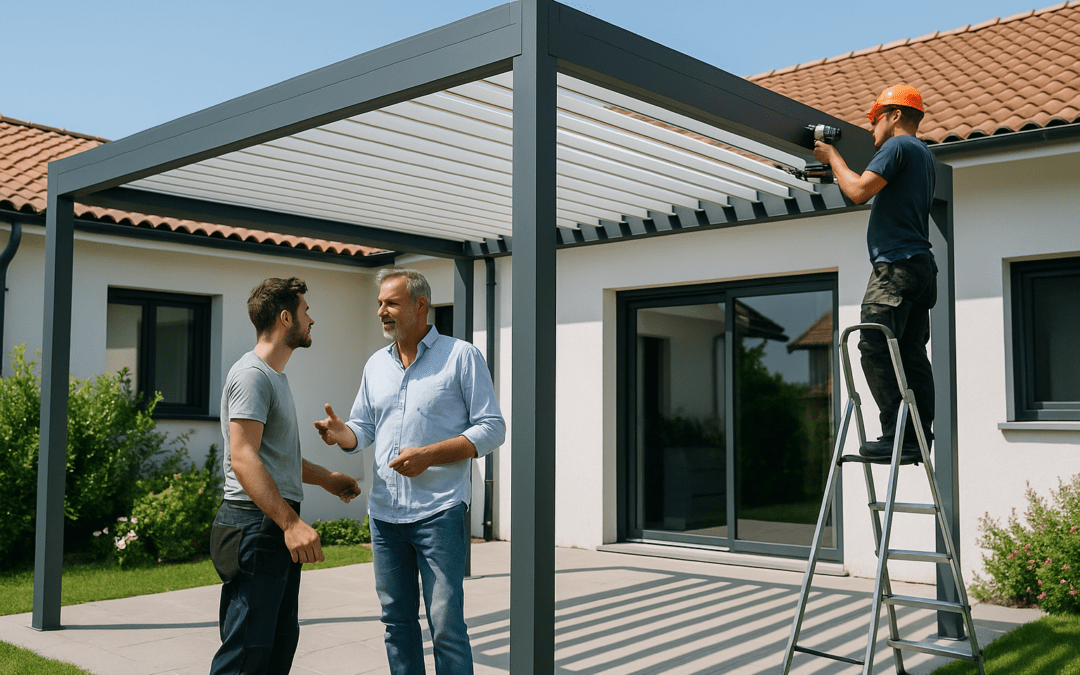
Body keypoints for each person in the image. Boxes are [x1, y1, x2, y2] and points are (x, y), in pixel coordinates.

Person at [314, 267, 505, 675]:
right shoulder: (375, 365)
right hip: (384, 516)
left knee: (446, 624)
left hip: (439, 512)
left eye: (391, 303)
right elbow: (363, 429)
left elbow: (492, 428)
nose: (382, 311)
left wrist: (429, 456)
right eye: (379, 303)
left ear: (421, 305)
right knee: (396, 624)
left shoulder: (461, 356)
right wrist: (341, 435)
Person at [210, 277, 362, 675]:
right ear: (284, 318)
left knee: (276, 645)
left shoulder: (273, 376)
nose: (311, 320)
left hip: (267, 524)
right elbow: (243, 457)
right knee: (247, 652)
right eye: (305, 312)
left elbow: (273, 459)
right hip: (255, 525)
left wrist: (328, 478)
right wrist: (290, 523)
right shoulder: (252, 376)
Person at [813, 84, 937, 464]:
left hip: (896, 267)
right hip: (920, 268)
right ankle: (917, 437)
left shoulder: (897, 147)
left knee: (873, 344)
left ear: (895, 115)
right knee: (912, 354)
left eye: (874, 119)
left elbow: (858, 191)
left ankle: (895, 435)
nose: (871, 129)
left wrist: (833, 156)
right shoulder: (923, 155)